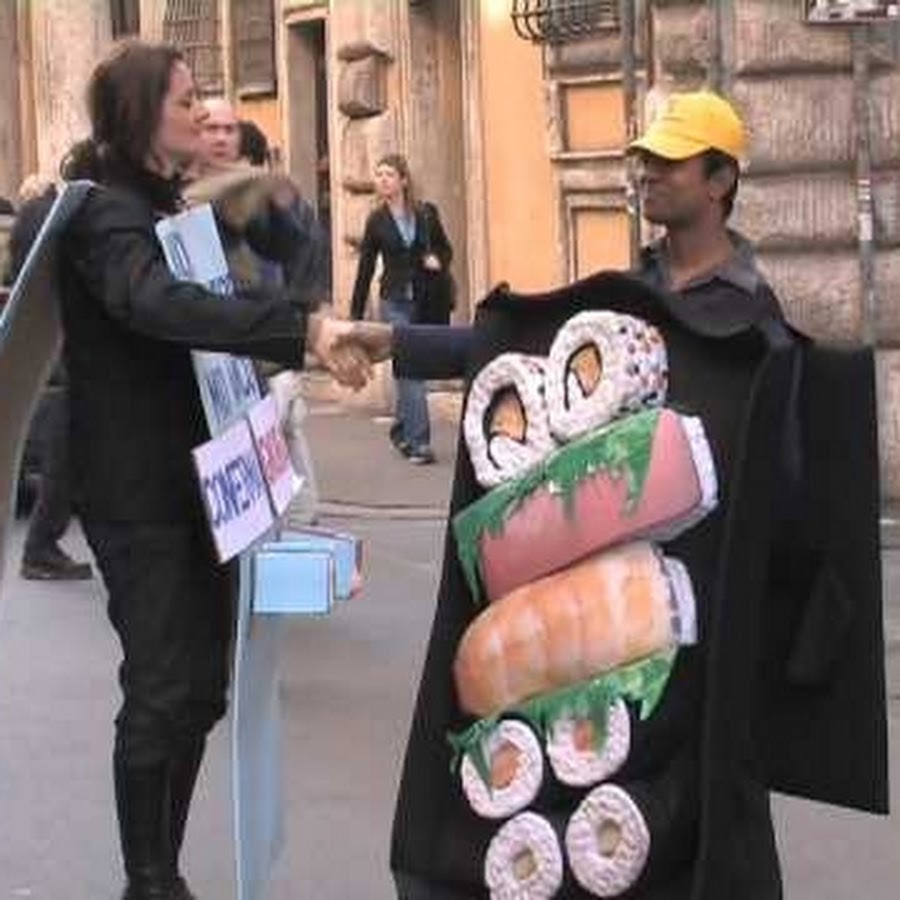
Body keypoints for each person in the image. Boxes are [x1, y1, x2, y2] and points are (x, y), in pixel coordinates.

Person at [338, 92, 886, 899]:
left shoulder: (755, 330)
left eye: (670, 162)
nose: (648, 174)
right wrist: (397, 342)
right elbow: (514, 346)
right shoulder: (624, 298)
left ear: (720, 181)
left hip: (692, 642)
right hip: (597, 616)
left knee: (695, 840)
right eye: (646, 159)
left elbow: (789, 505)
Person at [53, 40, 366, 900]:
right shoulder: (105, 216)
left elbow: (236, 292)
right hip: (135, 494)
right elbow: (158, 305)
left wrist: (299, 309)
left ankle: (166, 867)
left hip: (206, 485)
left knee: (201, 693)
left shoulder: (175, 206)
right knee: (159, 688)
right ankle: (148, 879)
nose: (202, 113)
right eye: (186, 100)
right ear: (140, 114)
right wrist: (300, 331)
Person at [4, 179, 94, 580]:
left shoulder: (32, 221)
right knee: (68, 442)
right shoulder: (59, 220)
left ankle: (43, 545)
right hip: (70, 345)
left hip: (59, 344)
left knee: (71, 441)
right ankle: (41, 547)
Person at [350, 153, 452, 465]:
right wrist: (355, 317)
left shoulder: (426, 213)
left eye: (389, 175)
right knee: (411, 367)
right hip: (393, 302)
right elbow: (366, 268)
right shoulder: (376, 221)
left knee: (410, 368)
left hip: (424, 300)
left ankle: (401, 430)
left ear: (403, 180)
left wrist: (438, 260)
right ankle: (420, 442)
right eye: (379, 175)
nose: (382, 180)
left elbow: (445, 249)